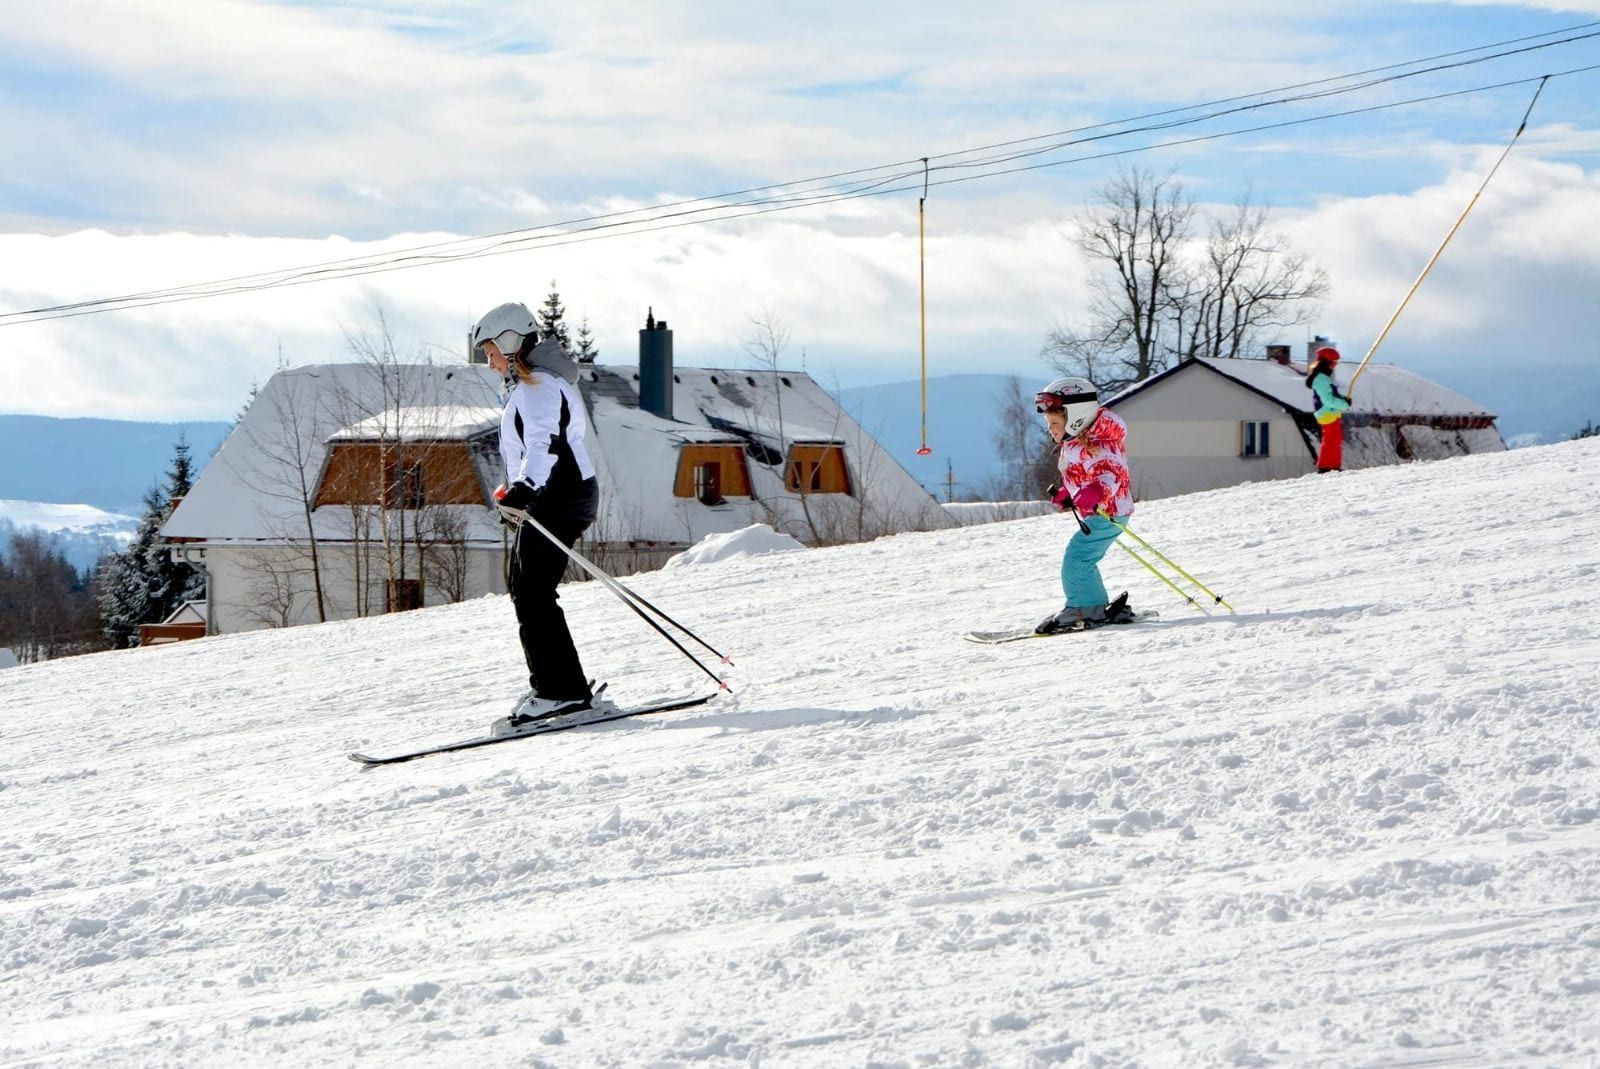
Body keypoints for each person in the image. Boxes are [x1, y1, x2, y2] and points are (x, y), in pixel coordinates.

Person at [472, 302, 600, 729]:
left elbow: (545, 443)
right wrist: (515, 488)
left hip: (560, 495)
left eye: (490, 353)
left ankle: (560, 691)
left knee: (531, 592)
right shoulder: (537, 383)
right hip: (559, 494)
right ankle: (558, 685)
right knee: (527, 589)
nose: (489, 364)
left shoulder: (539, 384)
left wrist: (527, 489)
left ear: (510, 345)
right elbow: (534, 449)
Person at [1034, 377, 1136, 635]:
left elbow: (1112, 473)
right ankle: (1090, 603)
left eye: (1055, 423)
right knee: (1082, 556)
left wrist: (1097, 491)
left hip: (1110, 512)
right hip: (1103, 512)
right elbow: (1081, 475)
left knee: (1078, 557)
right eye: (1049, 424)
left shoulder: (1102, 442)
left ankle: (1086, 607)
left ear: (1077, 417)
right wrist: (1069, 493)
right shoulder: (1077, 442)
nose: (1051, 430)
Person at [1306, 344, 1351, 472]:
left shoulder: (1323, 378)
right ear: (1326, 362)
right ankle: (1329, 467)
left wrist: (1343, 399)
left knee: (1333, 439)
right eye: (1333, 363)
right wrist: (1344, 404)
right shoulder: (1321, 379)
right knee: (1332, 440)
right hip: (1327, 413)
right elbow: (1328, 400)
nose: (1334, 366)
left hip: (1328, 413)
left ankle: (1329, 465)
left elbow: (1331, 395)